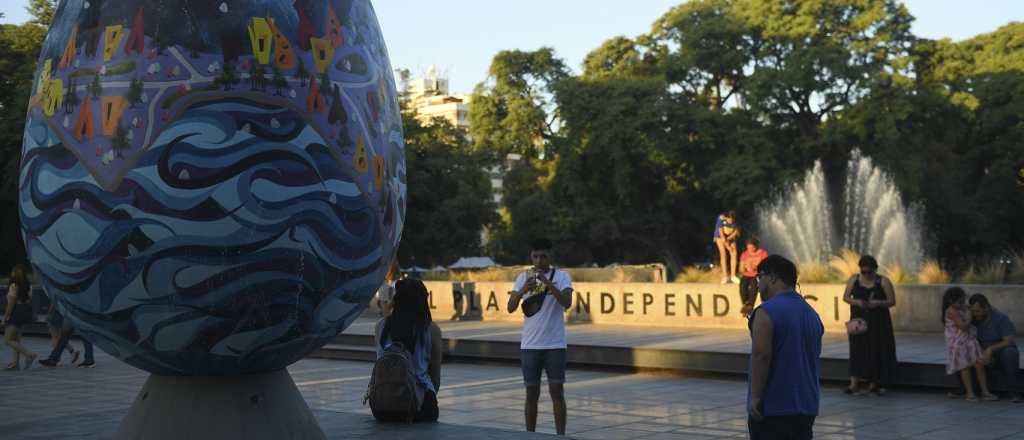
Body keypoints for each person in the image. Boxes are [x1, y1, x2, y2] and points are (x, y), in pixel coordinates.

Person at [748, 255, 823, 440]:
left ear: (772, 277)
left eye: (760, 277)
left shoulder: (766, 312)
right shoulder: (811, 314)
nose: (757, 284)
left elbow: (761, 355)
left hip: (774, 406)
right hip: (806, 405)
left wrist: (756, 397)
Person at [507, 238, 573, 436]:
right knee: (531, 394)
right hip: (530, 345)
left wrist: (547, 283)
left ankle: (560, 435)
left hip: (555, 345)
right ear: (531, 256)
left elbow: (567, 302)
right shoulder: (522, 278)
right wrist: (523, 290)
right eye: (535, 256)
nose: (539, 261)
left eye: (543, 256)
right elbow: (510, 307)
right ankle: (530, 434)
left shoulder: (561, 277)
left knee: (557, 392)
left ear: (550, 256)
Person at [373, 279, 443, 422]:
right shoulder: (431, 329)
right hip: (420, 408)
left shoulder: (381, 326)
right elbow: (435, 377)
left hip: (382, 406)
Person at [842, 255, 897, 395]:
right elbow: (846, 297)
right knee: (856, 350)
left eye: (869, 272)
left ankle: (874, 383)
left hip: (878, 321)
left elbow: (892, 301)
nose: (866, 275)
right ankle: (854, 383)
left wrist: (878, 303)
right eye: (863, 272)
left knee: (875, 350)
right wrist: (858, 302)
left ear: (875, 270)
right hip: (858, 320)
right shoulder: (854, 279)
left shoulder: (883, 281)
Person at [942, 287, 997, 401]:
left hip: (969, 341)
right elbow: (963, 326)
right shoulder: (951, 311)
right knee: (965, 367)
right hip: (959, 343)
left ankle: (985, 392)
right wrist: (969, 317)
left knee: (979, 364)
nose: (962, 304)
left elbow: (971, 308)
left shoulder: (962, 307)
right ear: (950, 301)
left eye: (963, 301)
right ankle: (970, 393)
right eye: (959, 302)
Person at [969, 294, 1021, 402]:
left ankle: (1014, 393)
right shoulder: (971, 319)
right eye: (973, 311)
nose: (975, 314)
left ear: (986, 308)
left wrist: (991, 350)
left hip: (1000, 353)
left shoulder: (1001, 318)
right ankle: (967, 390)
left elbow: (1009, 341)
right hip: (981, 354)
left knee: (1010, 352)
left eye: (978, 311)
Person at [3, 264, 38, 370]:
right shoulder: (28, 285)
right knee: (16, 339)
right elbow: (29, 299)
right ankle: (15, 363)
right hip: (24, 313)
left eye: (13, 272)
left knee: (8, 340)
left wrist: (6, 317)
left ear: (15, 274)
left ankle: (29, 354)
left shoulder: (14, 285)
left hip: (15, 313)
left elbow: (11, 303)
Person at [738, 238, 768, 318]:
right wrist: (745, 267)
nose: (750, 250)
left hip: (757, 275)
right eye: (748, 248)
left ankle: (750, 305)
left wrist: (756, 267)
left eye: (752, 248)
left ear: (756, 246)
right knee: (742, 286)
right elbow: (740, 269)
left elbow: (765, 267)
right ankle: (745, 304)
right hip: (746, 274)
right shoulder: (745, 254)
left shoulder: (763, 253)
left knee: (754, 286)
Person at [46, 300, 80, 365]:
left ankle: (56, 359)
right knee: (60, 337)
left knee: (55, 337)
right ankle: (72, 352)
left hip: (56, 314)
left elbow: (54, 301)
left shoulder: (57, 291)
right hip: (64, 314)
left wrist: (49, 314)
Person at [713, 211, 741, 284]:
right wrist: (728, 246)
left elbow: (736, 233)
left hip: (730, 235)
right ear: (726, 217)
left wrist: (729, 239)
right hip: (720, 236)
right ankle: (725, 276)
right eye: (729, 219)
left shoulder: (736, 221)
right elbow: (721, 235)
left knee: (734, 252)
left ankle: (733, 276)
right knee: (723, 253)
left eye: (732, 219)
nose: (731, 221)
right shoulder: (721, 219)